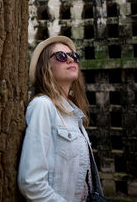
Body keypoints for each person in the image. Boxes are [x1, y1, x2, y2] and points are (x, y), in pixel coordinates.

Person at [18, 36, 103, 202]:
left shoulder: (73, 113)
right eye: (61, 56)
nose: (71, 59)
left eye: (74, 56)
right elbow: (31, 183)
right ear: (46, 67)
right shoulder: (43, 106)